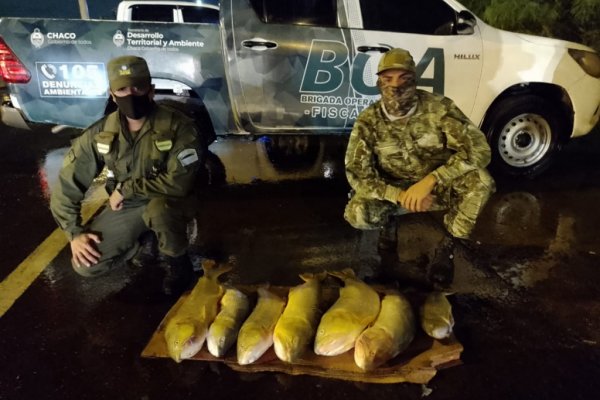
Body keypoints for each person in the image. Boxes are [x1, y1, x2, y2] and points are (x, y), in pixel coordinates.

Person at [50, 55, 204, 296]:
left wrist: (127, 189)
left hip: (172, 200)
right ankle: (144, 242)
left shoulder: (179, 126)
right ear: (112, 95)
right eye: (122, 89)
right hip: (129, 206)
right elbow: (67, 185)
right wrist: (74, 233)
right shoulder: (101, 133)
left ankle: (179, 264)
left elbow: (179, 184)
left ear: (151, 91)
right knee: (86, 265)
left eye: (138, 87)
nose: (130, 95)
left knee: (159, 210)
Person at [344, 48, 495, 284]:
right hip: (395, 191)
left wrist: (430, 181)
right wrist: (400, 195)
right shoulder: (368, 121)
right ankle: (388, 226)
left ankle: (448, 245)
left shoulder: (439, 109)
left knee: (482, 182)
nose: (395, 85)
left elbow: (480, 150)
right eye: (388, 78)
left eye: (403, 78)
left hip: (436, 187)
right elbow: (357, 175)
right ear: (378, 82)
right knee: (358, 212)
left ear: (414, 79)